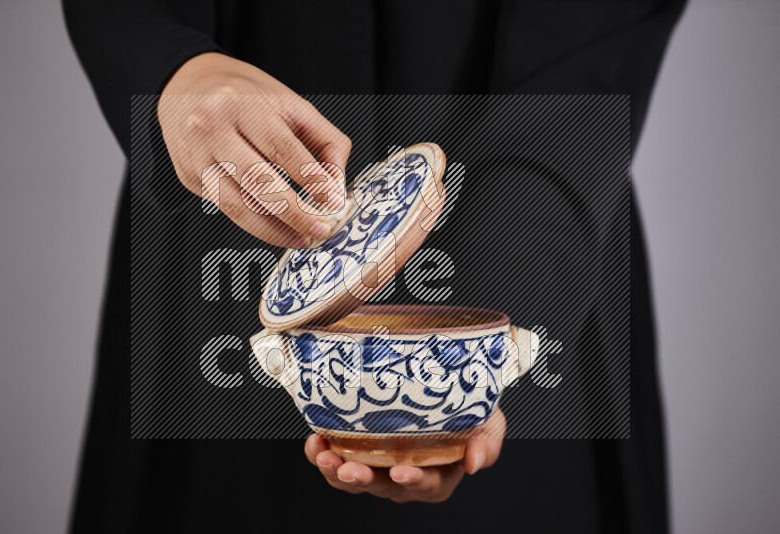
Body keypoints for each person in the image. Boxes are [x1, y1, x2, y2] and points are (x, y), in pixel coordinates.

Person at [64, 1, 686, 532]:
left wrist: (463, 367)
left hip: (539, 244)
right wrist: (172, 69)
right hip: (214, 235)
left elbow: (587, 57)